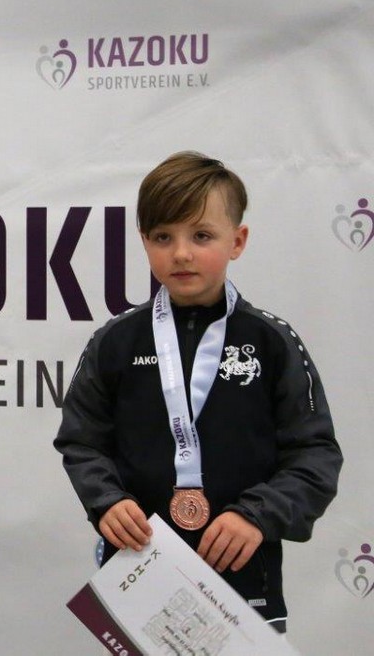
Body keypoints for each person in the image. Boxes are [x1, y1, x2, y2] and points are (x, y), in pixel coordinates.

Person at [54, 151, 342, 632]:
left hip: (244, 581)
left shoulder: (271, 342)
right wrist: (106, 501)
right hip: (140, 569)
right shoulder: (115, 342)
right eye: (163, 237)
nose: (181, 254)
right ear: (144, 241)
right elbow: (81, 441)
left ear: (237, 241)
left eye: (201, 236)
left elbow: (316, 454)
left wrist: (258, 515)